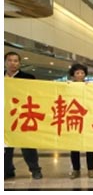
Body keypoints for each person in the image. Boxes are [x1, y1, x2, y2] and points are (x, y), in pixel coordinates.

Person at [4, 51, 43, 180]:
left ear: (19, 63)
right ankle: (7, 170)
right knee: (5, 146)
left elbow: (37, 94)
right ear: (5, 62)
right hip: (5, 117)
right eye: (10, 60)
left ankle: (35, 169)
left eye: (15, 61)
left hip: (23, 116)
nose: (12, 63)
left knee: (27, 145)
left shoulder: (28, 78)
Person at [68, 63, 93, 179]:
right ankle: (76, 169)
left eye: (82, 73)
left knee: (89, 146)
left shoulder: (89, 87)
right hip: (74, 118)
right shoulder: (68, 86)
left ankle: (91, 169)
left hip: (87, 119)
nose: (80, 75)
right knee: (74, 146)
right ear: (73, 75)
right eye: (77, 73)